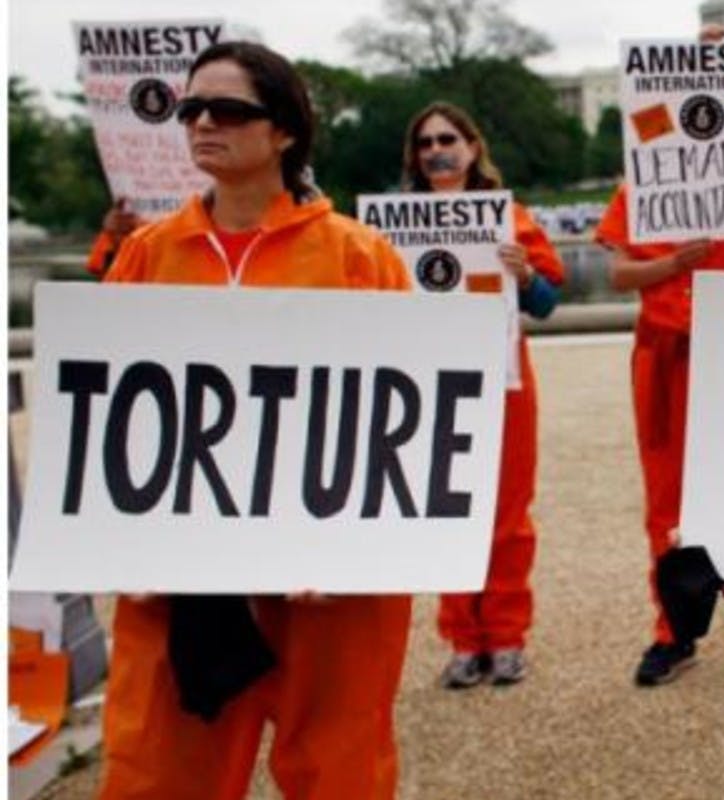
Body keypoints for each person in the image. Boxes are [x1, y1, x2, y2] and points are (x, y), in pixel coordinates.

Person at [95, 41, 414, 799]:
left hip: (328, 579)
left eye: (229, 109)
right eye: (190, 108)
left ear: (284, 131)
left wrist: (350, 547)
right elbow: (110, 418)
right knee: (159, 774)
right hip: (181, 575)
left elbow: (399, 418)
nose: (203, 121)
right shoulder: (145, 255)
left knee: (339, 771)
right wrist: (119, 548)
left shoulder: (360, 258)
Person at [595, 22, 724, 687]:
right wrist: (676, 261)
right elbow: (617, 275)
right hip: (666, 355)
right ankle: (674, 630)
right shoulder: (646, 177)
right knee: (668, 501)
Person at [401, 101, 566, 690]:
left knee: (507, 514)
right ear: (416, 159)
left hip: (503, 383)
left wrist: (524, 276)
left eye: (448, 138)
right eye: (425, 144)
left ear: (472, 148)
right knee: (449, 510)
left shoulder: (511, 218)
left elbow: (548, 305)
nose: (437, 150)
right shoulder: (397, 226)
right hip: (432, 387)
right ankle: (463, 640)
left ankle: (506, 636)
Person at [86, 199, 142, 277]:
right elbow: (93, 266)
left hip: (115, 281)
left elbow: (93, 266)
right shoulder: (106, 237)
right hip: (118, 280)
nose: (123, 220)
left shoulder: (139, 236)